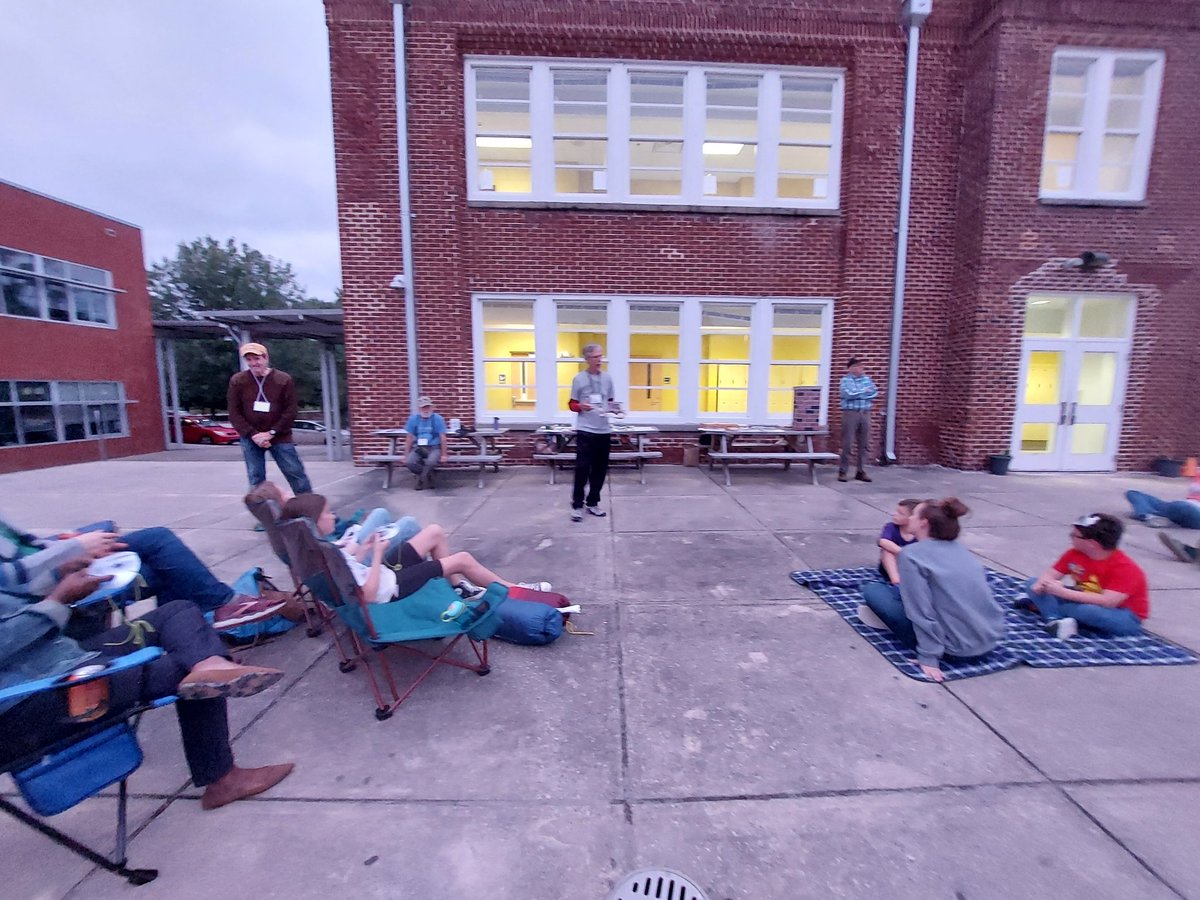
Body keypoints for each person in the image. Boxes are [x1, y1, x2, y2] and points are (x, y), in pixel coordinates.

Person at [0, 566, 295, 811]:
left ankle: (209, 663)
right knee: (183, 669)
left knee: (176, 612)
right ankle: (222, 779)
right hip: (31, 698)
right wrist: (58, 598)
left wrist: (55, 573)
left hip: (60, 657)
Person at [1, 515, 289, 632]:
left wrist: (68, 543)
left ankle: (197, 626)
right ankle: (222, 605)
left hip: (57, 564)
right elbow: (8, 580)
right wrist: (72, 549)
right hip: (46, 591)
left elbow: (33, 547)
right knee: (159, 546)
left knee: (162, 557)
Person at [280, 494, 549, 604]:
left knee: (433, 532)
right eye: (328, 513)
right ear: (315, 521)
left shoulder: (320, 550)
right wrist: (375, 556)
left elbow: (352, 573)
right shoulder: (328, 552)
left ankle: (459, 588)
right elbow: (368, 592)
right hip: (391, 588)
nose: (333, 516)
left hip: (381, 575)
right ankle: (515, 590)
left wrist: (367, 549)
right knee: (463, 558)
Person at [858, 498, 1005, 682]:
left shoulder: (912, 555)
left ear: (923, 523)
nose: (910, 518)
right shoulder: (960, 550)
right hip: (988, 641)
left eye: (914, 515)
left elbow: (920, 609)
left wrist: (928, 656)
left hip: (952, 650)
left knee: (873, 590)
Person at [1021, 513, 1149, 640]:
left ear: (1092, 543)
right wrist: (1042, 584)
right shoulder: (1074, 554)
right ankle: (1055, 620)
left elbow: (1108, 602)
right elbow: (1051, 574)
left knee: (1087, 611)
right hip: (1082, 597)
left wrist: (1061, 592)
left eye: (1074, 535)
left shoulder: (1125, 568)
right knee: (1032, 582)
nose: (1070, 537)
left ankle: (1051, 612)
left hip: (1123, 615)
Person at [226, 342, 312, 496]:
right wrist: (253, 434)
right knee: (256, 478)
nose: (254, 363)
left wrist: (272, 432)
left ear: (265, 358)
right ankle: (264, 513)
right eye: (249, 360)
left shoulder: (282, 379)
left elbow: (290, 411)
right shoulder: (238, 380)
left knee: (295, 473)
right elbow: (234, 412)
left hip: (279, 436)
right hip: (251, 438)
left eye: (257, 359)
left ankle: (310, 508)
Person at [567, 343, 617, 522]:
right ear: (587, 359)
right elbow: (571, 404)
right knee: (582, 469)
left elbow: (610, 401)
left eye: (601, 356)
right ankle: (577, 506)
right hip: (586, 431)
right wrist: (581, 406)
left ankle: (593, 503)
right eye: (596, 357)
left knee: (600, 470)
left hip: (604, 431)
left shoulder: (608, 378)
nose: (599, 360)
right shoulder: (579, 379)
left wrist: (616, 410)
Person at [837, 357, 878, 483]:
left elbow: (874, 393)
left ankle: (861, 471)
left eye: (861, 366)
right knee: (848, 443)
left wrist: (860, 393)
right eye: (856, 366)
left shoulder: (867, 379)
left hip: (865, 412)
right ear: (850, 368)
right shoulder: (846, 380)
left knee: (864, 444)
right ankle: (843, 471)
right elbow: (847, 394)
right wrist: (863, 392)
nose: (860, 368)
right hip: (850, 413)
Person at [1124, 473, 1200, 529]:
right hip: (1179, 505)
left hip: (1193, 510)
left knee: (1183, 507)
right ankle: (1149, 516)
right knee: (1133, 493)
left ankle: (1149, 515)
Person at [403, 396, 447, 490]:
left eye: (428, 407)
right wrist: (405, 455)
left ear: (432, 407)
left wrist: (444, 455)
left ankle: (421, 479)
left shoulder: (438, 419)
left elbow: (442, 437)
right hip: (419, 447)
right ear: (419, 408)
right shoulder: (413, 419)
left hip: (434, 446)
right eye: (423, 407)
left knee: (431, 461)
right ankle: (427, 475)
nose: (426, 409)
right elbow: (409, 437)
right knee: (410, 462)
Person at [878, 499, 919, 586]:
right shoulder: (891, 527)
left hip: (913, 568)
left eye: (901, 513)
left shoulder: (919, 533)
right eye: (896, 511)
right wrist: (904, 553)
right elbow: (883, 541)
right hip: (892, 568)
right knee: (887, 550)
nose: (895, 514)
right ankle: (896, 582)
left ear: (913, 518)